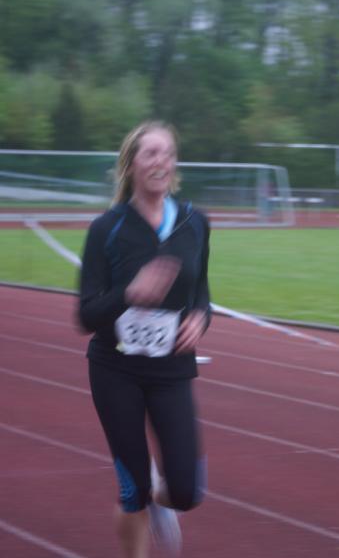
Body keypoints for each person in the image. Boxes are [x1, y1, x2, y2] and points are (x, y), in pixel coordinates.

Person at [78, 121, 211, 558]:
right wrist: (129, 294)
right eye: (151, 153)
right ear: (131, 164)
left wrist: (201, 318)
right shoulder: (107, 228)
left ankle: (161, 499)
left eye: (167, 154)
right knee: (132, 490)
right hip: (116, 369)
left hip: (171, 370)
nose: (161, 162)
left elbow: (201, 292)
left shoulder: (194, 222)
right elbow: (86, 315)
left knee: (186, 492)